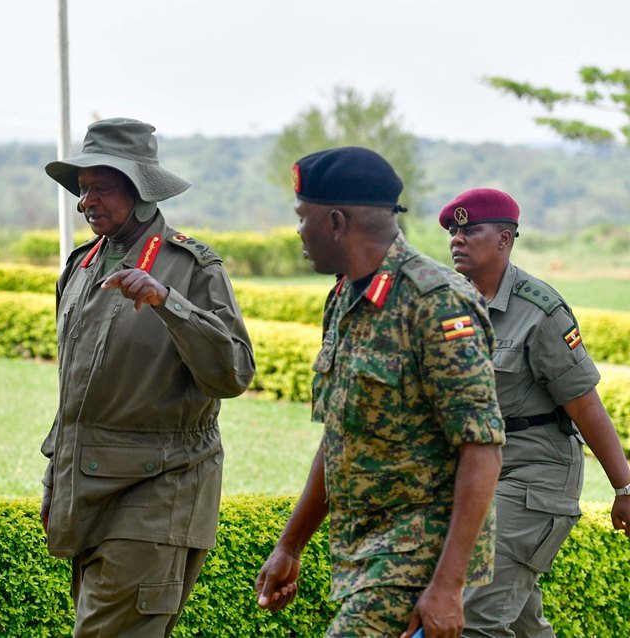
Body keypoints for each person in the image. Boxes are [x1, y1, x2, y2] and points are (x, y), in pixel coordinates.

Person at [255, 147, 506, 638]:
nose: (297, 232)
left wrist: (448, 586)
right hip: (361, 556)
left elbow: (482, 447)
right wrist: (290, 545)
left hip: (415, 561)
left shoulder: (435, 303)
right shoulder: (345, 297)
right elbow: (340, 438)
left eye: (301, 218)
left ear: (334, 222)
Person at [38, 117, 256, 637]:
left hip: (158, 492)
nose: (87, 201)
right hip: (89, 490)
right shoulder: (82, 265)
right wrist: (56, 476)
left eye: (102, 187)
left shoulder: (190, 266)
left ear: (140, 192)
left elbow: (233, 372)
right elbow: (75, 389)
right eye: (82, 188)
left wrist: (167, 302)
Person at [438, 188, 630, 637]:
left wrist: (624, 486)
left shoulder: (539, 311)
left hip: (533, 474)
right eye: (453, 230)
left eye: (470, 229)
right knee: (521, 623)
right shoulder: (448, 304)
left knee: (476, 618)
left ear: (505, 239)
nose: (457, 239)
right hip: (473, 474)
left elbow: (584, 403)